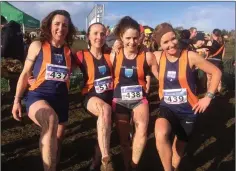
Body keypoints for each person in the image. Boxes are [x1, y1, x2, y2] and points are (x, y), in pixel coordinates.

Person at [12, 10, 76, 171]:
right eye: (57, 24)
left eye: (65, 25)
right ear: (49, 25)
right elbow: (26, 73)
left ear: (68, 29)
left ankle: (53, 163)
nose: (60, 28)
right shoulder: (37, 45)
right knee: (50, 120)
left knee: (57, 140)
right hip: (38, 96)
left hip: (61, 100)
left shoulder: (69, 51)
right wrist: (16, 100)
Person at [152, 23, 222, 171]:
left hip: (188, 110)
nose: (171, 44)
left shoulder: (190, 56)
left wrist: (208, 97)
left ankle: (175, 167)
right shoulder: (157, 57)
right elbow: (134, 55)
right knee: (160, 133)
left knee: (179, 146)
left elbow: (216, 72)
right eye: (165, 42)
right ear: (159, 44)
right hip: (167, 107)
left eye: (173, 39)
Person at [111, 16, 159, 171]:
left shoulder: (147, 55)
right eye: (128, 38)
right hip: (119, 100)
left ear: (140, 38)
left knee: (142, 130)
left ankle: (134, 165)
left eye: (135, 38)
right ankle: (126, 165)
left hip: (139, 99)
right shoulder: (115, 54)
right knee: (124, 139)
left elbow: (160, 76)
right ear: (121, 37)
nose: (132, 42)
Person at [75, 22, 115, 171]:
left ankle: (96, 162)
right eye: (95, 33)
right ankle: (106, 161)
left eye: (102, 34)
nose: (99, 37)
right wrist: (32, 76)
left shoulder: (111, 54)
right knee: (105, 111)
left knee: (104, 127)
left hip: (112, 96)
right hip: (91, 96)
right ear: (88, 37)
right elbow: (61, 66)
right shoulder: (80, 55)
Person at [205, 29, 225, 93]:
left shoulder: (210, 42)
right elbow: (223, 54)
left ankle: (210, 92)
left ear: (213, 34)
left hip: (210, 62)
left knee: (209, 78)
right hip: (218, 62)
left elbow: (207, 53)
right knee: (218, 78)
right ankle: (219, 91)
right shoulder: (222, 42)